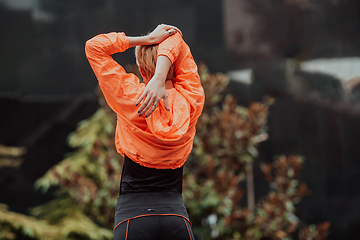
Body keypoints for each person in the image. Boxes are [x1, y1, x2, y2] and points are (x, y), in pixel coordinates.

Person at [85, 24, 204, 240]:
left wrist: (147, 40)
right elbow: (174, 35)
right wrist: (161, 76)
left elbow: (94, 46)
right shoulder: (191, 98)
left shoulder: (130, 96)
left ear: (141, 65)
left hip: (133, 217)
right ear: (176, 62)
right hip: (175, 216)